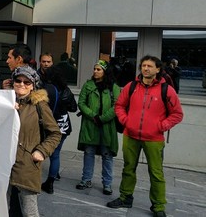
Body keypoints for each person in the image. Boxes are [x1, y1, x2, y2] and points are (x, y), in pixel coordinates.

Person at [107, 55, 183, 217]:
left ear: (158, 69)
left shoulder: (166, 90)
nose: (146, 69)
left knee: (156, 173)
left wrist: (161, 126)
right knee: (128, 169)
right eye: (143, 66)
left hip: (154, 139)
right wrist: (125, 120)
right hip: (131, 135)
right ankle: (125, 197)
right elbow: (119, 105)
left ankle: (158, 206)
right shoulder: (131, 86)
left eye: (149, 66)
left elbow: (177, 114)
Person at [8, 66, 61, 216]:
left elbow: (55, 133)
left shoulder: (39, 105)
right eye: (18, 80)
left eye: (27, 82)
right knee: (3, 208)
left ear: (33, 86)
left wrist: (41, 151)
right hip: (4, 164)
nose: (22, 84)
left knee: (29, 211)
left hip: (26, 164)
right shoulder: (6, 101)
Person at [76, 60, 120, 195]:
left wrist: (103, 118)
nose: (95, 71)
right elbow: (81, 103)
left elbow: (117, 106)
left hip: (107, 126)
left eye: (99, 69)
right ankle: (86, 179)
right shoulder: (88, 85)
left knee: (107, 155)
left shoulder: (113, 87)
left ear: (105, 71)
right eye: (94, 69)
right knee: (89, 153)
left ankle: (107, 183)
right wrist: (93, 116)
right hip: (90, 125)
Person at [40, 66, 77, 194]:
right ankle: (52, 178)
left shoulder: (48, 90)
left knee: (43, 152)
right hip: (64, 126)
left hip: (52, 126)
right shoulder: (66, 89)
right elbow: (73, 108)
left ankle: (49, 183)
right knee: (56, 155)